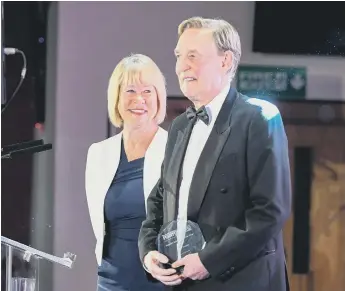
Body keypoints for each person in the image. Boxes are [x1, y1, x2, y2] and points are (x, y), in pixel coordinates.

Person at [138, 17, 292, 291]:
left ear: (225, 61)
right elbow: (161, 199)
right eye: (179, 56)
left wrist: (210, 259)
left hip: (241, 281)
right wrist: (149, 251)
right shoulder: (179, 126)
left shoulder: (258, 118)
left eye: (193, 56)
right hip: (184, 283)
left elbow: (269, 211)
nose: (181, 66)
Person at [85, 53, 168, 291]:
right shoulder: (98, 153)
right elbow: (100, 228)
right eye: (130, 91)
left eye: (147, 91)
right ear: (117, 98)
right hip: (111, 282)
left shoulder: (175, 149)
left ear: (158, 98)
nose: (138, 99)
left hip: (162, 282)